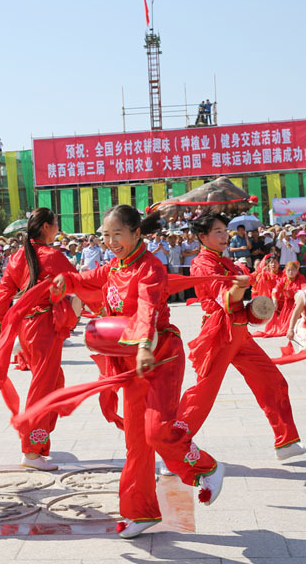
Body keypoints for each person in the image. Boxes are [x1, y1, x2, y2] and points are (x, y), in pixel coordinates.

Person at [49, 205, 223, 539]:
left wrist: (143, 344)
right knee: (135, 442)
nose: (111, 241)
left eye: (118, 234)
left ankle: (207, 468)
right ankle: (140, 513)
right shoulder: (115, 266)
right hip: (132, 361)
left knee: (157, 431)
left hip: (160, 356)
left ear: (136, 233)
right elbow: (85, 279)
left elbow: (146, 307)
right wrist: (66, 280)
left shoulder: (150, 267)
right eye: (106, 235)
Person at [183, 210, 306, 465]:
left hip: (240, 333)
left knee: (273, 382)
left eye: (224, 231)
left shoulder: (223, 260)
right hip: (220, 334)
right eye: (217, 231)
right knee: (203, 395)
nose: (223, 236)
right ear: (202, 236)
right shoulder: (203, 263)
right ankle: (171, 449)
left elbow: (237, 300)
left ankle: (286, 442)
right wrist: (240, 285)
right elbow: (226, 300)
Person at [0, 207, 79, 470]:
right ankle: (31, 450)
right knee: (43, 386)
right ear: (47, 227)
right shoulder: (53, 256)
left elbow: (4, 291)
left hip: (29, 327)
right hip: (45, 327)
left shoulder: (19, 256)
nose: (58, 228)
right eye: (56, 223)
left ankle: (40, 440)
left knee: (53, 380)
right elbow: (81, 283)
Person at [259, 261, 306, 337]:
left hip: (298, 304)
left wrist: (300, 295)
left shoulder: (301, 278)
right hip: (287, 305)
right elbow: (276, 289)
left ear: (297, 270)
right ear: (286, 270)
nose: (291, 272)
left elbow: (304, 288)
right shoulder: (284, 279)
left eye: (293, 270)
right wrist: (274, 299)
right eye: (289, 270)